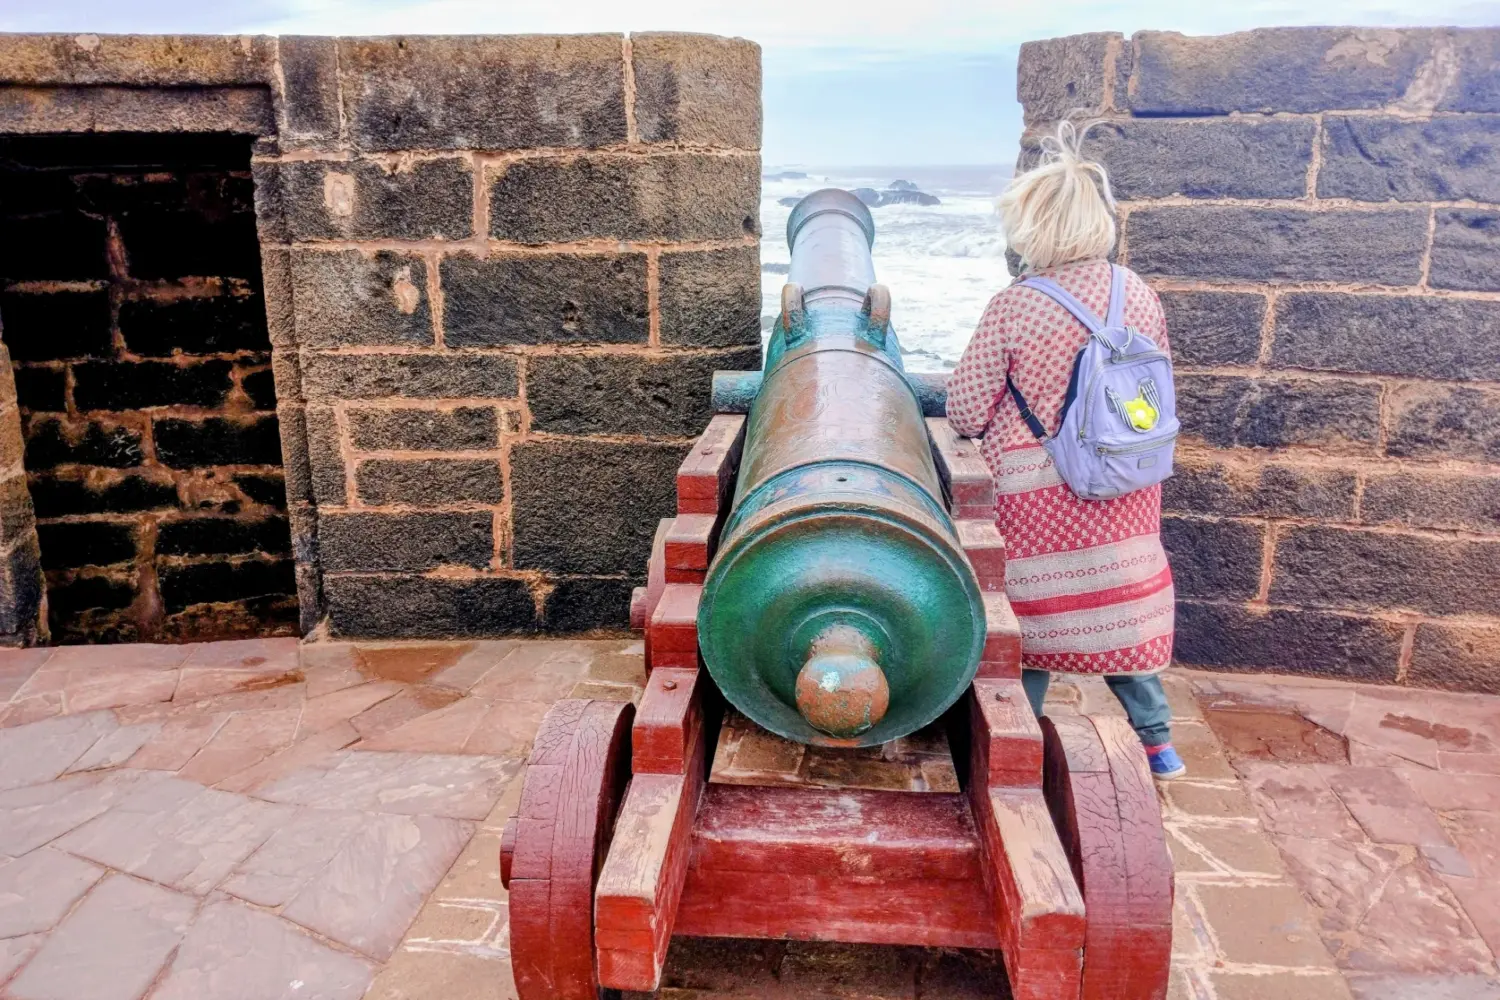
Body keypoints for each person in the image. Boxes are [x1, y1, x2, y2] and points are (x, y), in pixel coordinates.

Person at [945, 119, 1185, 780]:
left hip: (1042, 497)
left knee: (1035, 626)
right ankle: (1159, 742)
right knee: (1120, 615)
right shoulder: (1136, 293)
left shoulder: (1015, 306)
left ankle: (1011, 746)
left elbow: (966, 407)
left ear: (1032, 229)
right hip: (1125, 482)